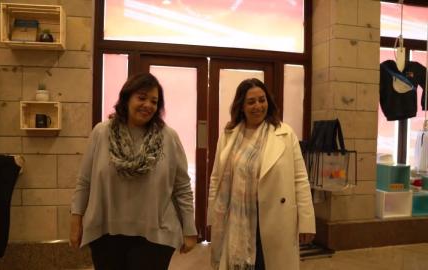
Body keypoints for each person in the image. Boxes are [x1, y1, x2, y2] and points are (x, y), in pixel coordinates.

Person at [70, 73, 198, 270]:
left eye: (154, 101)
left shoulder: (168, 137)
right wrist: (76, 220)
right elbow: (84, 181)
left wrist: (190, 229)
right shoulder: (101, 133)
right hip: (106, 234)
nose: (148, 105)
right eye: (142, 97)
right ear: (126, 98)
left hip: (155, 236)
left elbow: (181, 187)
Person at [208, 78, 315, 270]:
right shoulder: (229, 134)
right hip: (235, 219)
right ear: (241, 106)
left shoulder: (284, 133)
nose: (258, 106)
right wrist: (212, 217)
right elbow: (216, 178)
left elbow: (300, 179)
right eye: (251, 102)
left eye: (262, 100)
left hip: (275, 217)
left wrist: (307, 222)